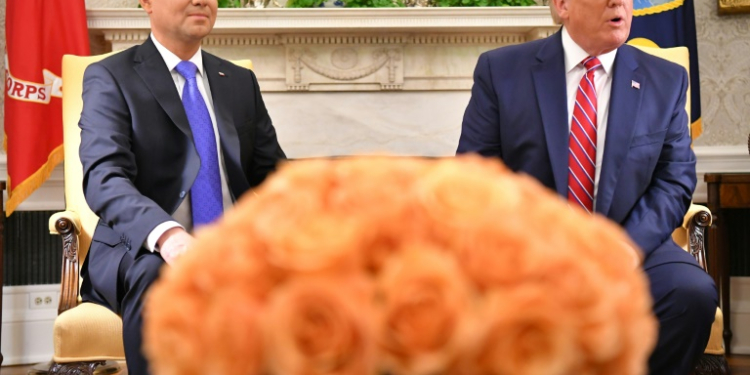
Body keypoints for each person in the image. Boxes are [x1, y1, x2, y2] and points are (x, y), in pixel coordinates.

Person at [456, 0, 717, 373]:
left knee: (690, 293)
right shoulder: (502, 70)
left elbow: (674, 178)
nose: (619, 3)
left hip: (628, 240)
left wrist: (625, 248)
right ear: (563, 5)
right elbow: (475, 174)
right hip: (530, 247)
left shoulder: (666, 79)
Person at [78, 0, 286, 373]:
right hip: (141, 248)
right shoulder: (111, 75)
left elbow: (273, 175)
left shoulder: (238, 81)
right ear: (146, 3)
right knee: (158, 275)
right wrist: (168, 236)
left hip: (233, 246)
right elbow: (104, 177)